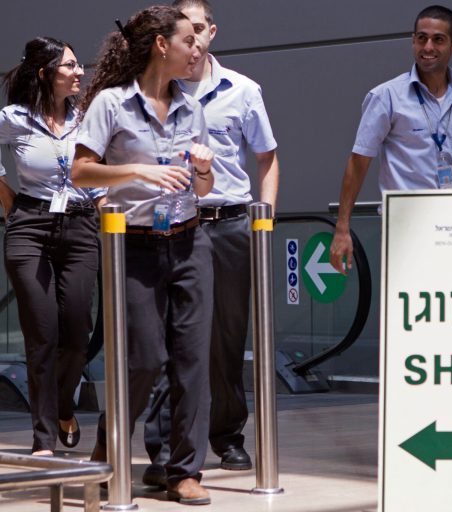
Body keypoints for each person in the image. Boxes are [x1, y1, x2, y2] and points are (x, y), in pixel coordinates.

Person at [71, 5, 215, 505]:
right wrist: (138, 173)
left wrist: (202, 168)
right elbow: (81, 172)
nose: (196, 49)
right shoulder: (111, 104)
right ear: (161, 45)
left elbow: (205, 183)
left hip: (189, 237)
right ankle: (108, 449)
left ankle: (185, 471)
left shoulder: (192, 106)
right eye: (187, 41)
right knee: (146, 358)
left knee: (194, 358)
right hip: (133, 243)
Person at [141, 0, 280, 487]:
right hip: (174, 221)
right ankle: (162, 446)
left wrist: (263, 221)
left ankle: (228, 436)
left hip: (230, 222)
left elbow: (266, 158)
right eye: (185, 31)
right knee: (170, 337)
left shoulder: (242, 90)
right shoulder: (157, 90)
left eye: (199, 29)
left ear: (212, 32)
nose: (193, 40)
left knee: (226, 338)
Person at [330, 5, 452, 274]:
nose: (428, 47)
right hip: (406, 229)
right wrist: (342, 228)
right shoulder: (386, 97)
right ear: (413, 41)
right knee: (410, 310)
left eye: (438, 39)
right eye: (421, 38)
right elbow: (358, 162)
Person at [0, 37, 104, 456]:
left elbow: (97, 168)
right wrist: (7, 200)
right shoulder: (15, 118)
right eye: (71, 66)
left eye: (79, 66)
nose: (80, 72)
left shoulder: (89, 119)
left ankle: (63, 405)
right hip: (29, 227)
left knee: (78, 333)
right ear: (46, 74)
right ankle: (43, 438)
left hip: (80, 227)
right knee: (41, 334)